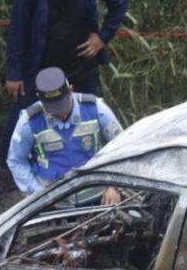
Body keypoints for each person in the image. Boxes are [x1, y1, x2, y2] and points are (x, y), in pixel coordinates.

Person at [0, 0, 128, 168]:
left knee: (89, 116)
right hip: (39, 72)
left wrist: (103, 37)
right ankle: (8, 171)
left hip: (81, 68)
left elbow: (120, 0)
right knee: (22, 117)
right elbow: (17, 30)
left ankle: (96, 167)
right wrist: (14, 72)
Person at [7, 66, 123, 202]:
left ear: (71, 90)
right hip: (53, 200)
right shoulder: (28, 122)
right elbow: (16, 160)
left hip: (99, 195)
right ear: (40, 100)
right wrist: (38, 194)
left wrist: (114, 184)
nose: (59, 112)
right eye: (52, 108)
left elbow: (122, 146)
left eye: (62, 105)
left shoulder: (97, 109)